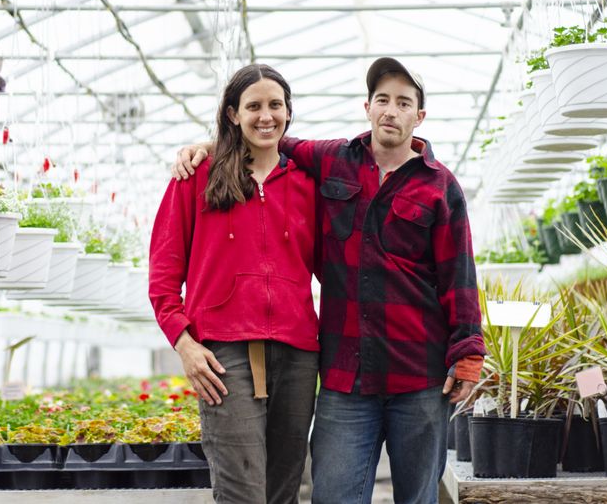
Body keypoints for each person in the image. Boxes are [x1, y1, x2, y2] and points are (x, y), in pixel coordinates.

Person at [174, 57, 485, 504]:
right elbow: (268, 134)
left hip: (418, 375)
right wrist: (208, 144)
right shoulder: (334, 159)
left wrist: (468, 353)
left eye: (403, 102)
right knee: (333, 495)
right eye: (382, 100)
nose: (390, 111)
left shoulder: (440, 187)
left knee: (417, 498)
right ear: (367, 107)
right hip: (346, 379)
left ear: (419, 116)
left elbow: (460, 278)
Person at [149, 64, 320, 504]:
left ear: (288, 112)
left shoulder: (307, 182)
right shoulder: (197, 178)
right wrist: (184, 345)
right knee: (242, 493)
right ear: (232, 114)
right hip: (223, 355)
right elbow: (163, 273)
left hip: (297, 354)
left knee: (283, 493)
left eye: (275, 105)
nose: (267, 116)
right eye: (254, 106)